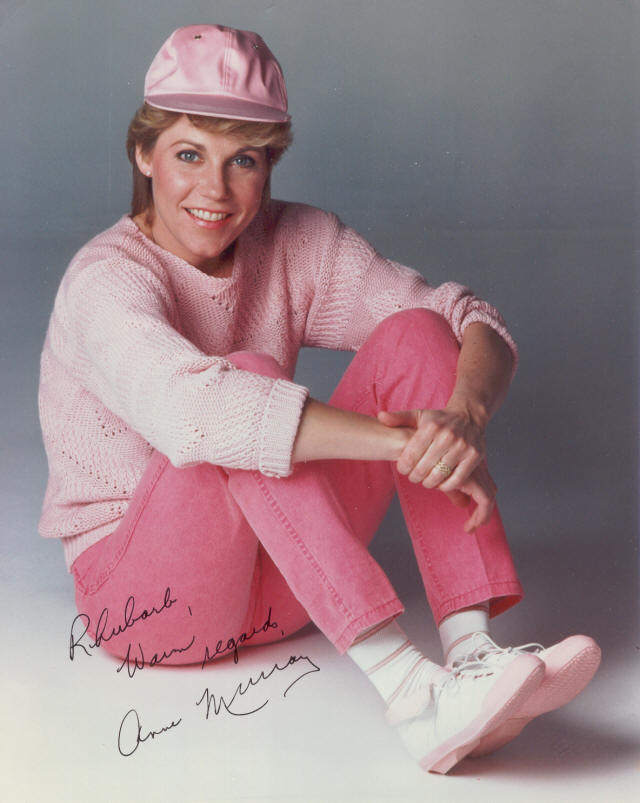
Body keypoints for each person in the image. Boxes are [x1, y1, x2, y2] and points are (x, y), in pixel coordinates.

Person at [38, 24, 600, 774]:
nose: (214, 190)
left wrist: (462, 419)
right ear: (144, 153)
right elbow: (197, 413)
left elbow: (466, 319)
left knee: (417, 333)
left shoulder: (297, 243)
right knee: (242, 382)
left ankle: (472, 658)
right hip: (150, 607)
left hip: (286, 586)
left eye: (243, 160)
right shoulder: (105, 278)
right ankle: (412, 693)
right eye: (188, 155)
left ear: (270, 162)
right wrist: (409, 443)